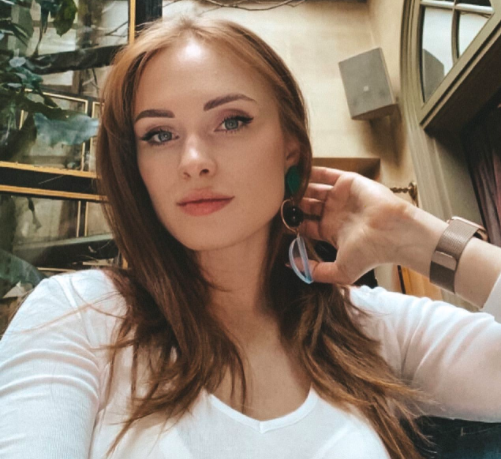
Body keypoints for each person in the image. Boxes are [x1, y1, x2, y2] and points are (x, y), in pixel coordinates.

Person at [1, 15, 501, 459]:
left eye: (231, 121)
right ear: (136, 167)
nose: (194, 161)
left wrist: (412, 234)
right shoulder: (83, 317)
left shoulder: (367, 328)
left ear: (290, 147)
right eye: (160, 134)